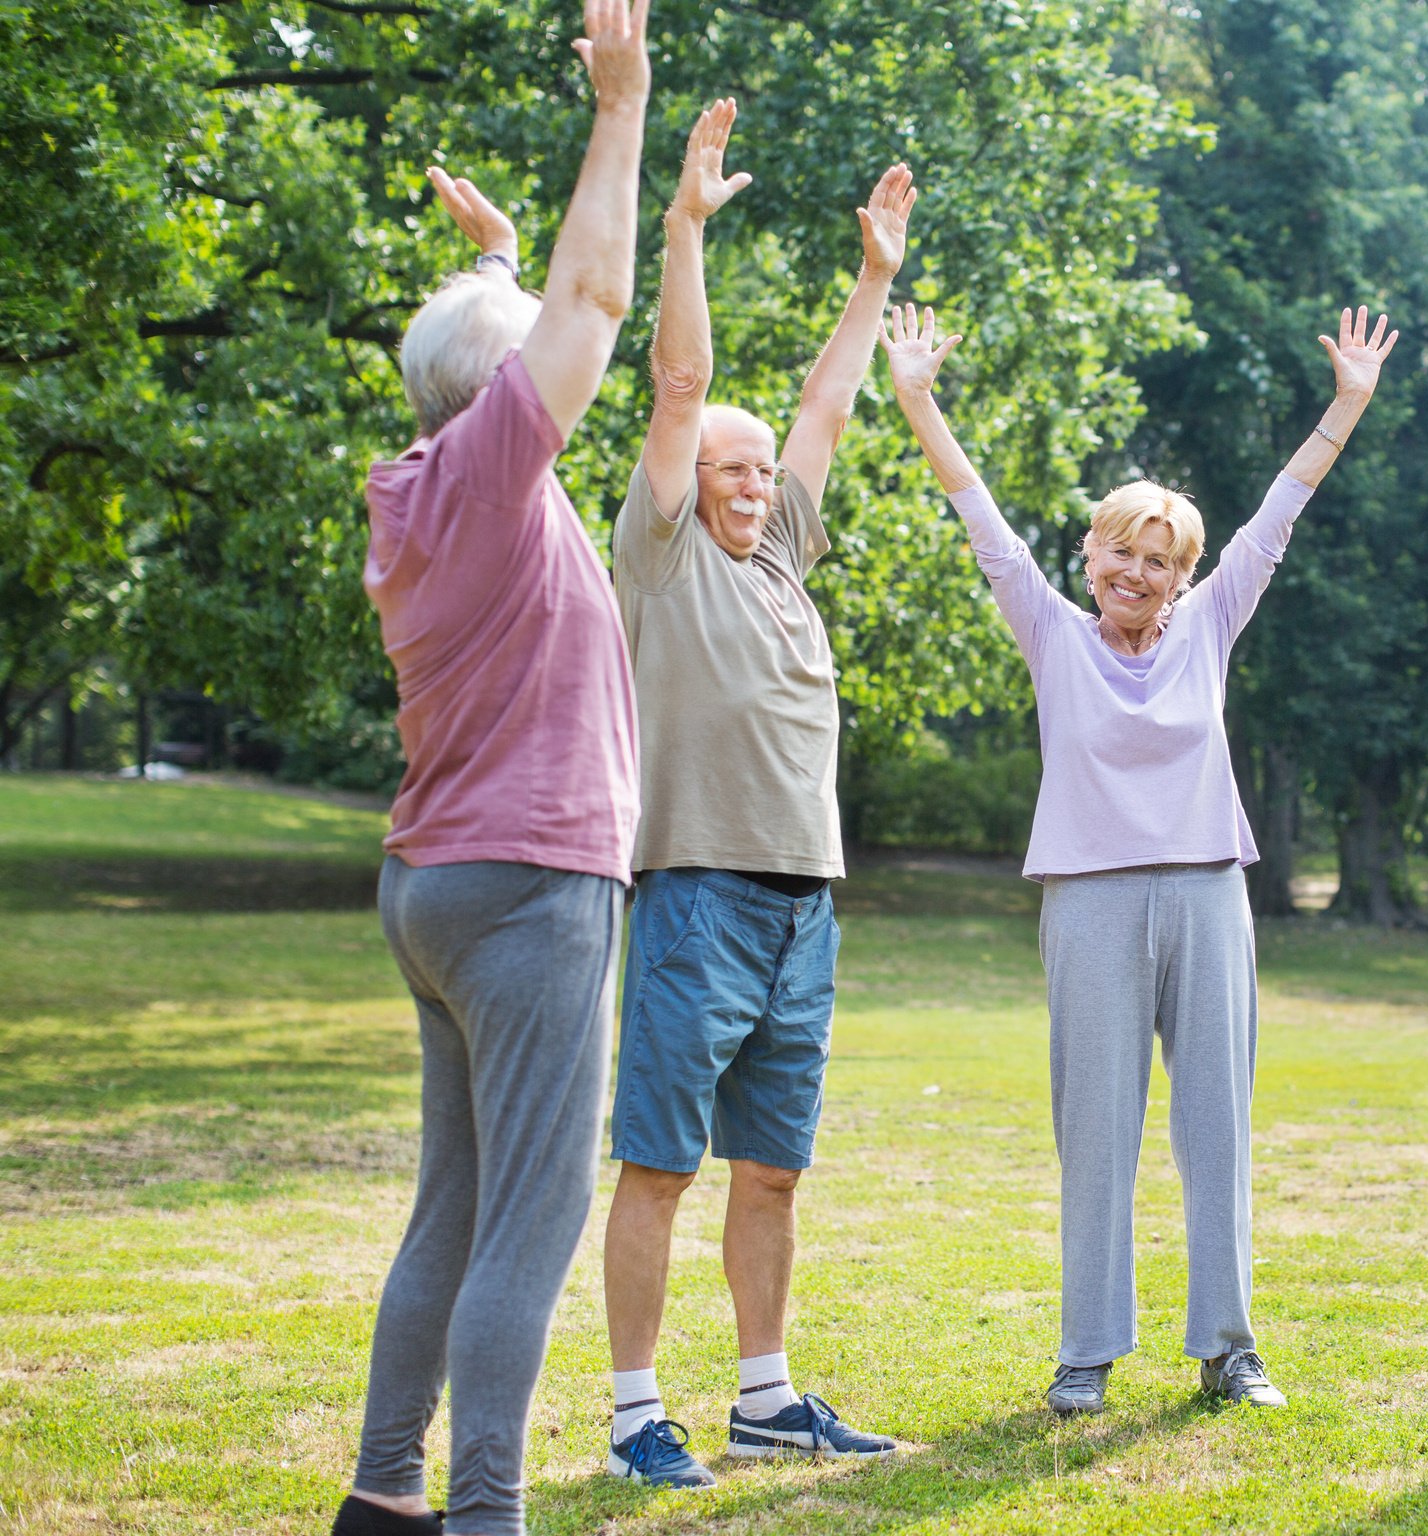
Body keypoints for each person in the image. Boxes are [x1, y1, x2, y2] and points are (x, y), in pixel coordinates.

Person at [880, 300, 1398, 1415]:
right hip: (1091, 904)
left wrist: (1346, 403)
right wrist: (918, 396)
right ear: (1092, 552)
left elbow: (1279, 511)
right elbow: (978, 515)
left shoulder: (1211, 623)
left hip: (1207, 891)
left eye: (1162, 560)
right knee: (1098, 1132)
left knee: (1217, 1125)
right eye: (1124, 550)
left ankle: (1228, 1347)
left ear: (1183, 574)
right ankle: (1086, 1354)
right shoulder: (1050, 626)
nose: (1140, 572)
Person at [335, 3, 652, 1532]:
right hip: (530, 888)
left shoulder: (429, 493)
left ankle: (385, 1496)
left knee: (454, 1207)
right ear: (503, 400)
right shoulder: (487, 480)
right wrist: (620, 107)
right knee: (530, 1218)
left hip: (436, 883)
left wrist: (492, 261)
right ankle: (485, 1515)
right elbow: (592, 300)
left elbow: (509, 335)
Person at [596, 100, 911, 1488]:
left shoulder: (781, 552)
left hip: (803, 905)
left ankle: (768, 1396)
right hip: (695, 894)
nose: (746, 482)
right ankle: (631, 1413)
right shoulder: (661, 553)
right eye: (726, 468)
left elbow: (826, 405)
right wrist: (683, 229)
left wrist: (875, 277)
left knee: (773, 1169)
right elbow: (681, 386)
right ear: (684, 482)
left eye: (752, 469)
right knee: (661, 1164)